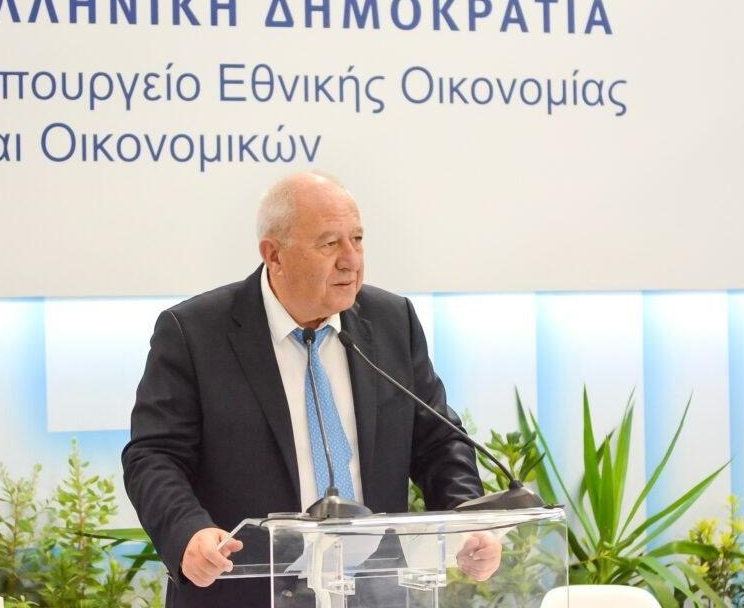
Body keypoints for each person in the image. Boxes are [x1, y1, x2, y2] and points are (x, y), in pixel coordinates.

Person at [122, 172, 501, 607]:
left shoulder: (392, 321)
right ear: (274, 255)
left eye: (357, 239)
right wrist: (188, 532)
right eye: (329, 244)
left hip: (373, 594)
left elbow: (438, 442)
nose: (351, 260)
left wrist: (466, 518)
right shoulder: (195, 333)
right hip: (241, 591)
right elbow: (154, 455)